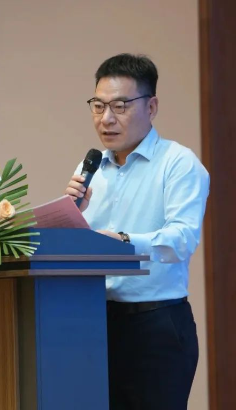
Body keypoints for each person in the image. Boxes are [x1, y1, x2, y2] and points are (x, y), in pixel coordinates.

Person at [65, 53, 210, 410]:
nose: (106, 118)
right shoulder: (91, 169)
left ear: (152, 106)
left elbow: (182, 239)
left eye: (120, 106)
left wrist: (126, 242)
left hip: (155, 325)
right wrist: (71, 216)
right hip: (94, 323)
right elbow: (82, 247)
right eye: (98, 106)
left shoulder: (178, 163)